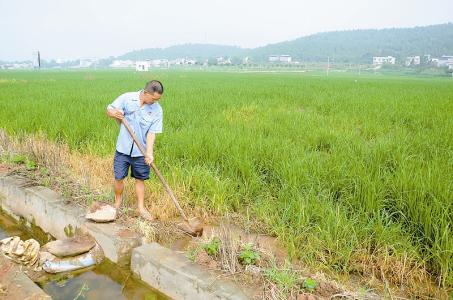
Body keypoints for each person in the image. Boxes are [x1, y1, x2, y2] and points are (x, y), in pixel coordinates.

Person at [106, 80, 164, 220]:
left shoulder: (157, 109)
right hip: (123, 148)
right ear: (146, 93)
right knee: (119, 177)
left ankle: (141, 208)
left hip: (140, 152)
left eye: (158, 99)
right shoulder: (127, 98)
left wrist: (149, 152)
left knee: (140, 179)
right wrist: (115, 114)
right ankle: (117, 204)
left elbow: (152, 133)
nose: (155, 101)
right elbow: (109, 109)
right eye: (154, 98)